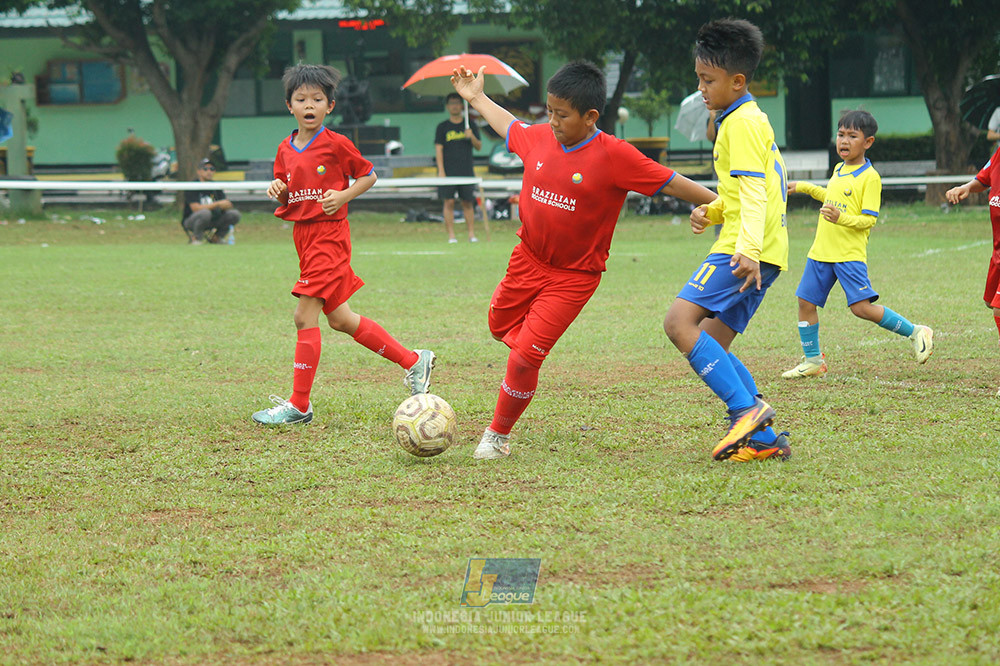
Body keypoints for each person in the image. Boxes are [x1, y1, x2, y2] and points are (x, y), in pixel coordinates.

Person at [450, 60, 717, 460]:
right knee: (497, 325)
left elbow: (671, 182)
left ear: (590, 116)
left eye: (562, 114)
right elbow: (510, 126)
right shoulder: (539, 138)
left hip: (573, 277)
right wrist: (476, 97)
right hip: (526, 259)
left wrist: (719, 205)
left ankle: (497, 435)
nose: (552, 121)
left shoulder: (615, 155)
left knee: (525, 357)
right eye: (549, 111)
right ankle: (527, 355)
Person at [251, 64, 435, 425]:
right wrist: (279, 189)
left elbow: (369, 174)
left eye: (317, 99)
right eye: (301, 99)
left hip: (329, 236)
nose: (309, 104)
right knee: (340, 319)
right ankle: (414, 361)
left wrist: (344, 194)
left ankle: (299, 405)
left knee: (304, 315)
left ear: (329, 106)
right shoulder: (285, 149)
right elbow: (284, 182)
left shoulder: (336, 143)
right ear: (289, 105)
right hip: (303, 238)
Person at [662, 19, 790, 463]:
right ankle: (765, 438)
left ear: (738, 81)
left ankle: (746, 410)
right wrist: (712, 210)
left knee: (678, 323)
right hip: (761, 248)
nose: (701, 88)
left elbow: (756, 193)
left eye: (708, 80)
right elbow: (748, 191)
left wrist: (748, 251)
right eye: (699, 77)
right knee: (714, 338)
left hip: (744, 249)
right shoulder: (746, 118)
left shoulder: (740, 125)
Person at [782, 110, 933, 380]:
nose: (844, 140)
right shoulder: (839, 168)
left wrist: (841, 218)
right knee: (805, 302)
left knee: (861, 308)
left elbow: (868, 220)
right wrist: (804, 187)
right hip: (821, 251)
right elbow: (831, 196)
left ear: (868, 142)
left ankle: (916, 331)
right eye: (841, 134)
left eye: (852, 136)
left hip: (848, 255)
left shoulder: (870, 177)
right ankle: (813, 360)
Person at [945, 143, 1000, 396]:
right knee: (992, 305)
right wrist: (966, 187)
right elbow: (984, 177)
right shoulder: (999, 154)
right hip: (998, 253)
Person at [435, 92, 482, 243]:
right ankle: (451, 236)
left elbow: (479, 147)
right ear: (448, 107)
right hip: (448, 171)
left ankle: (471, 234)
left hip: (466, 171)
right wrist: (441, 171)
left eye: (457, 103)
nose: (455, 106)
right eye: (452, 103)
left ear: (462, 105)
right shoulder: (442, 127)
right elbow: (438, 149)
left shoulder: (470, 125)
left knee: (468, 202)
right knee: (448, 202)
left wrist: (471, 136)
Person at [181, 158, 240, 244]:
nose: (209, 171)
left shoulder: (216, 186)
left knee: (234, 214)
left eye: (212, 169)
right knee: (205, 213)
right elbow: (195, 208)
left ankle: (216, 238)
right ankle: (196, 238)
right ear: (199, 172)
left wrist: (226, 205)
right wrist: (217, 204)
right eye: (205, 169)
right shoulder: (192, 186)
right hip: (192, 220)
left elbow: (224, 203)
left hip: (214, 218)